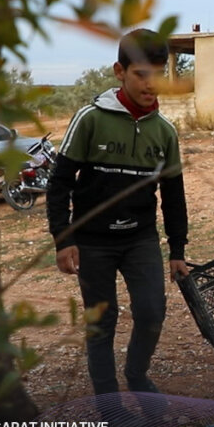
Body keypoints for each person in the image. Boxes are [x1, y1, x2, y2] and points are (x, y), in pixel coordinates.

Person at [46, 28, 189, 397]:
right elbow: (60, 183)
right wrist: (64, 238)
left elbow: (173, 194)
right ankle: (108, 402)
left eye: (158, 74)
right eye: (141, 74)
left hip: (140, 239)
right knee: (101, 320)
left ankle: (137, 377)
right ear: (119, 71)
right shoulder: (90, 119)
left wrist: (177, 249)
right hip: (93, 242)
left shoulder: (165, 132)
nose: (150, 84)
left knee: (152, 312)